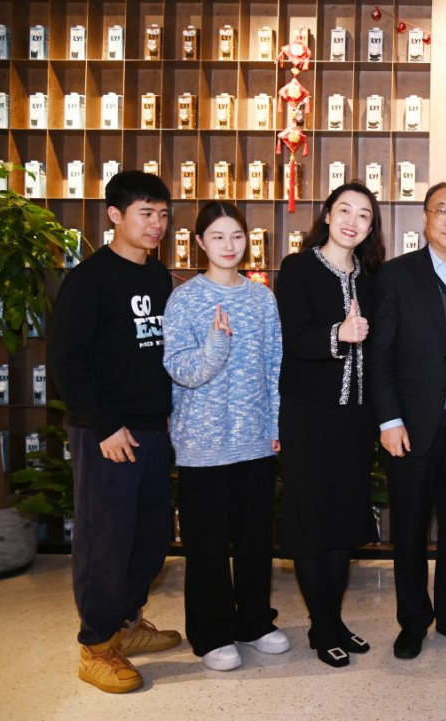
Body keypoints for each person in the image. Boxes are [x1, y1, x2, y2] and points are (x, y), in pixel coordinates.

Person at [49, 170, 181, 694]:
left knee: (150, 536)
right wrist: (105, 426)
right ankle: (97, 644)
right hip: (107, 434)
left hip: (153, 431)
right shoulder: (90, 279)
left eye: (163, 214)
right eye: (146, 213)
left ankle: (127, 622)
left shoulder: (159, 277)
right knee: (105, 540)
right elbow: (67, 360)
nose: (156, 224)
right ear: (115, 216)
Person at [368, 181, 446, 660]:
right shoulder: (396, 276)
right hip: (412, 426)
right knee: (410, 529)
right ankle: (413, 620)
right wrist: (389, 419)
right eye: (442, 210)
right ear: (425, 218)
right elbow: (380, 356)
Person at [162, 202, 288, 671]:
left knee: (255, 540)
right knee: (207, 546)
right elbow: (181, 370)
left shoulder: (262, 299)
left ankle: (254, 622)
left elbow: (275, 367)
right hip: (203, 444)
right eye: (217, 237)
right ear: (200, 243)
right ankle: (211, 633)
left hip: (255, 441)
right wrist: (217, 344)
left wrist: (275, 425)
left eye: (236, 236)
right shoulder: (185, 299)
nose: (229, 246)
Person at [274, 182, 384, 667]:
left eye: (364, 215)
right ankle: (321, 627)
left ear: (371, 227)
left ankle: (334, 620)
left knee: (342, 523)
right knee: (311, 522)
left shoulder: (371, 279)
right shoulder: (298, 268)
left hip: (355, 420)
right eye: (345, 210)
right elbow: (294, 338)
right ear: (326, 214)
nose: (352, 221)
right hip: (308, 416)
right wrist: (339, 333)